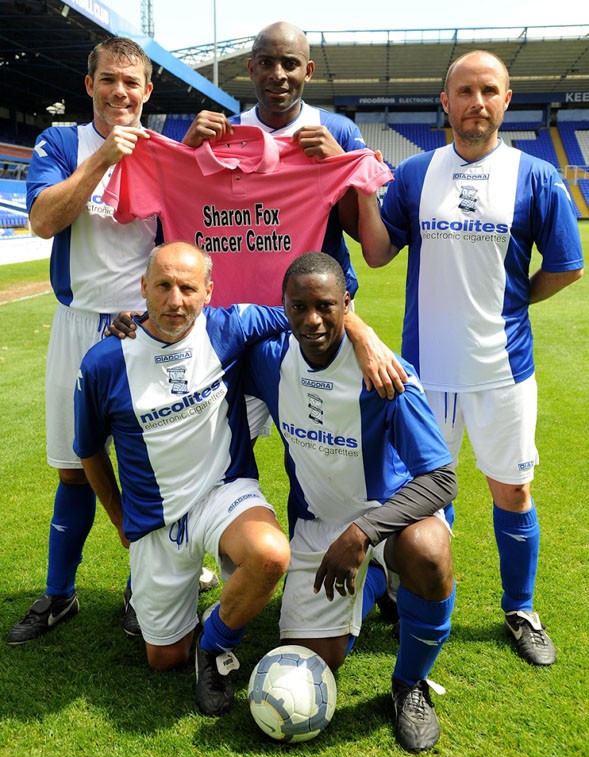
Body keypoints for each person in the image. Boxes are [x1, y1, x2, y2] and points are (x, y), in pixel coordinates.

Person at [72, 241, 398, 718]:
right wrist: (120, 518)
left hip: (224, 492)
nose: (175, 300)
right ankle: (171, 607)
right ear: (143, 288)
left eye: (187, 287)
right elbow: (88, 451)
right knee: (164, 660)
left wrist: (363, 332)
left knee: (270, 555)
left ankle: (216, 646)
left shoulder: (229, 326)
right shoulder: (104, 360)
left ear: (208, 291)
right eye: (162, 286)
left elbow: (307, 311)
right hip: (155, 520)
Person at [356, 50, 584, 667]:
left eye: (489, 90)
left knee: (512, 491)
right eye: (464, 91)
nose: (476, 102)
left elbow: (565, 265)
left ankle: (520, 609)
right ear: (445, 102)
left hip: (503, 372)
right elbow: (377, 253)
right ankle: (421, 596)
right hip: (423, 376)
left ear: (506, 100)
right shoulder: (416, 174)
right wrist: (349, 187)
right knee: (426, 498)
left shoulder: (536, 177)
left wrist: (516, 304)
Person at [4, 36, 216, 647]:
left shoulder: (161, 148)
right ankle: (59, 594)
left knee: (154, 471)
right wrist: (102, 160)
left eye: (133, 83)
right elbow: (43, 221)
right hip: (78, 325)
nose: (121, 92)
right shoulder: (62, 143)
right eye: (109, 80)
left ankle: (142, 590)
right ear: (90, 84)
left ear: (148, 91)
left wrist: (189, 153)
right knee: (74, 470)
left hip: (148, 330)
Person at [244, 252, 457, 753]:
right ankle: (377, 582)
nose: (312, 320)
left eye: (325, 306)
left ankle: (409, 685)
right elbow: (201, 336)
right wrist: (133, 325)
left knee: (427, 551)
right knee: (317, 661)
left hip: (388, 519)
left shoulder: (383, 373)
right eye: (299, 307)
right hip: (317, 523)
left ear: (347, 305)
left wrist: (364, 533)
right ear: (284, 307)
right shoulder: (269, 361)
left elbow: (442, 479)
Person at [181, 20, 366, 300]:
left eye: (290, 64)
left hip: (320, 304)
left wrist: (340, 166)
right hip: (244, 303)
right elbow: (187, 213)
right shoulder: (223, 135)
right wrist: (186, 153)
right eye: (266, 63)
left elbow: (363, 233)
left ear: (308, 71)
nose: (277, 74)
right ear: (251, 68)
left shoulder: (339, 132)